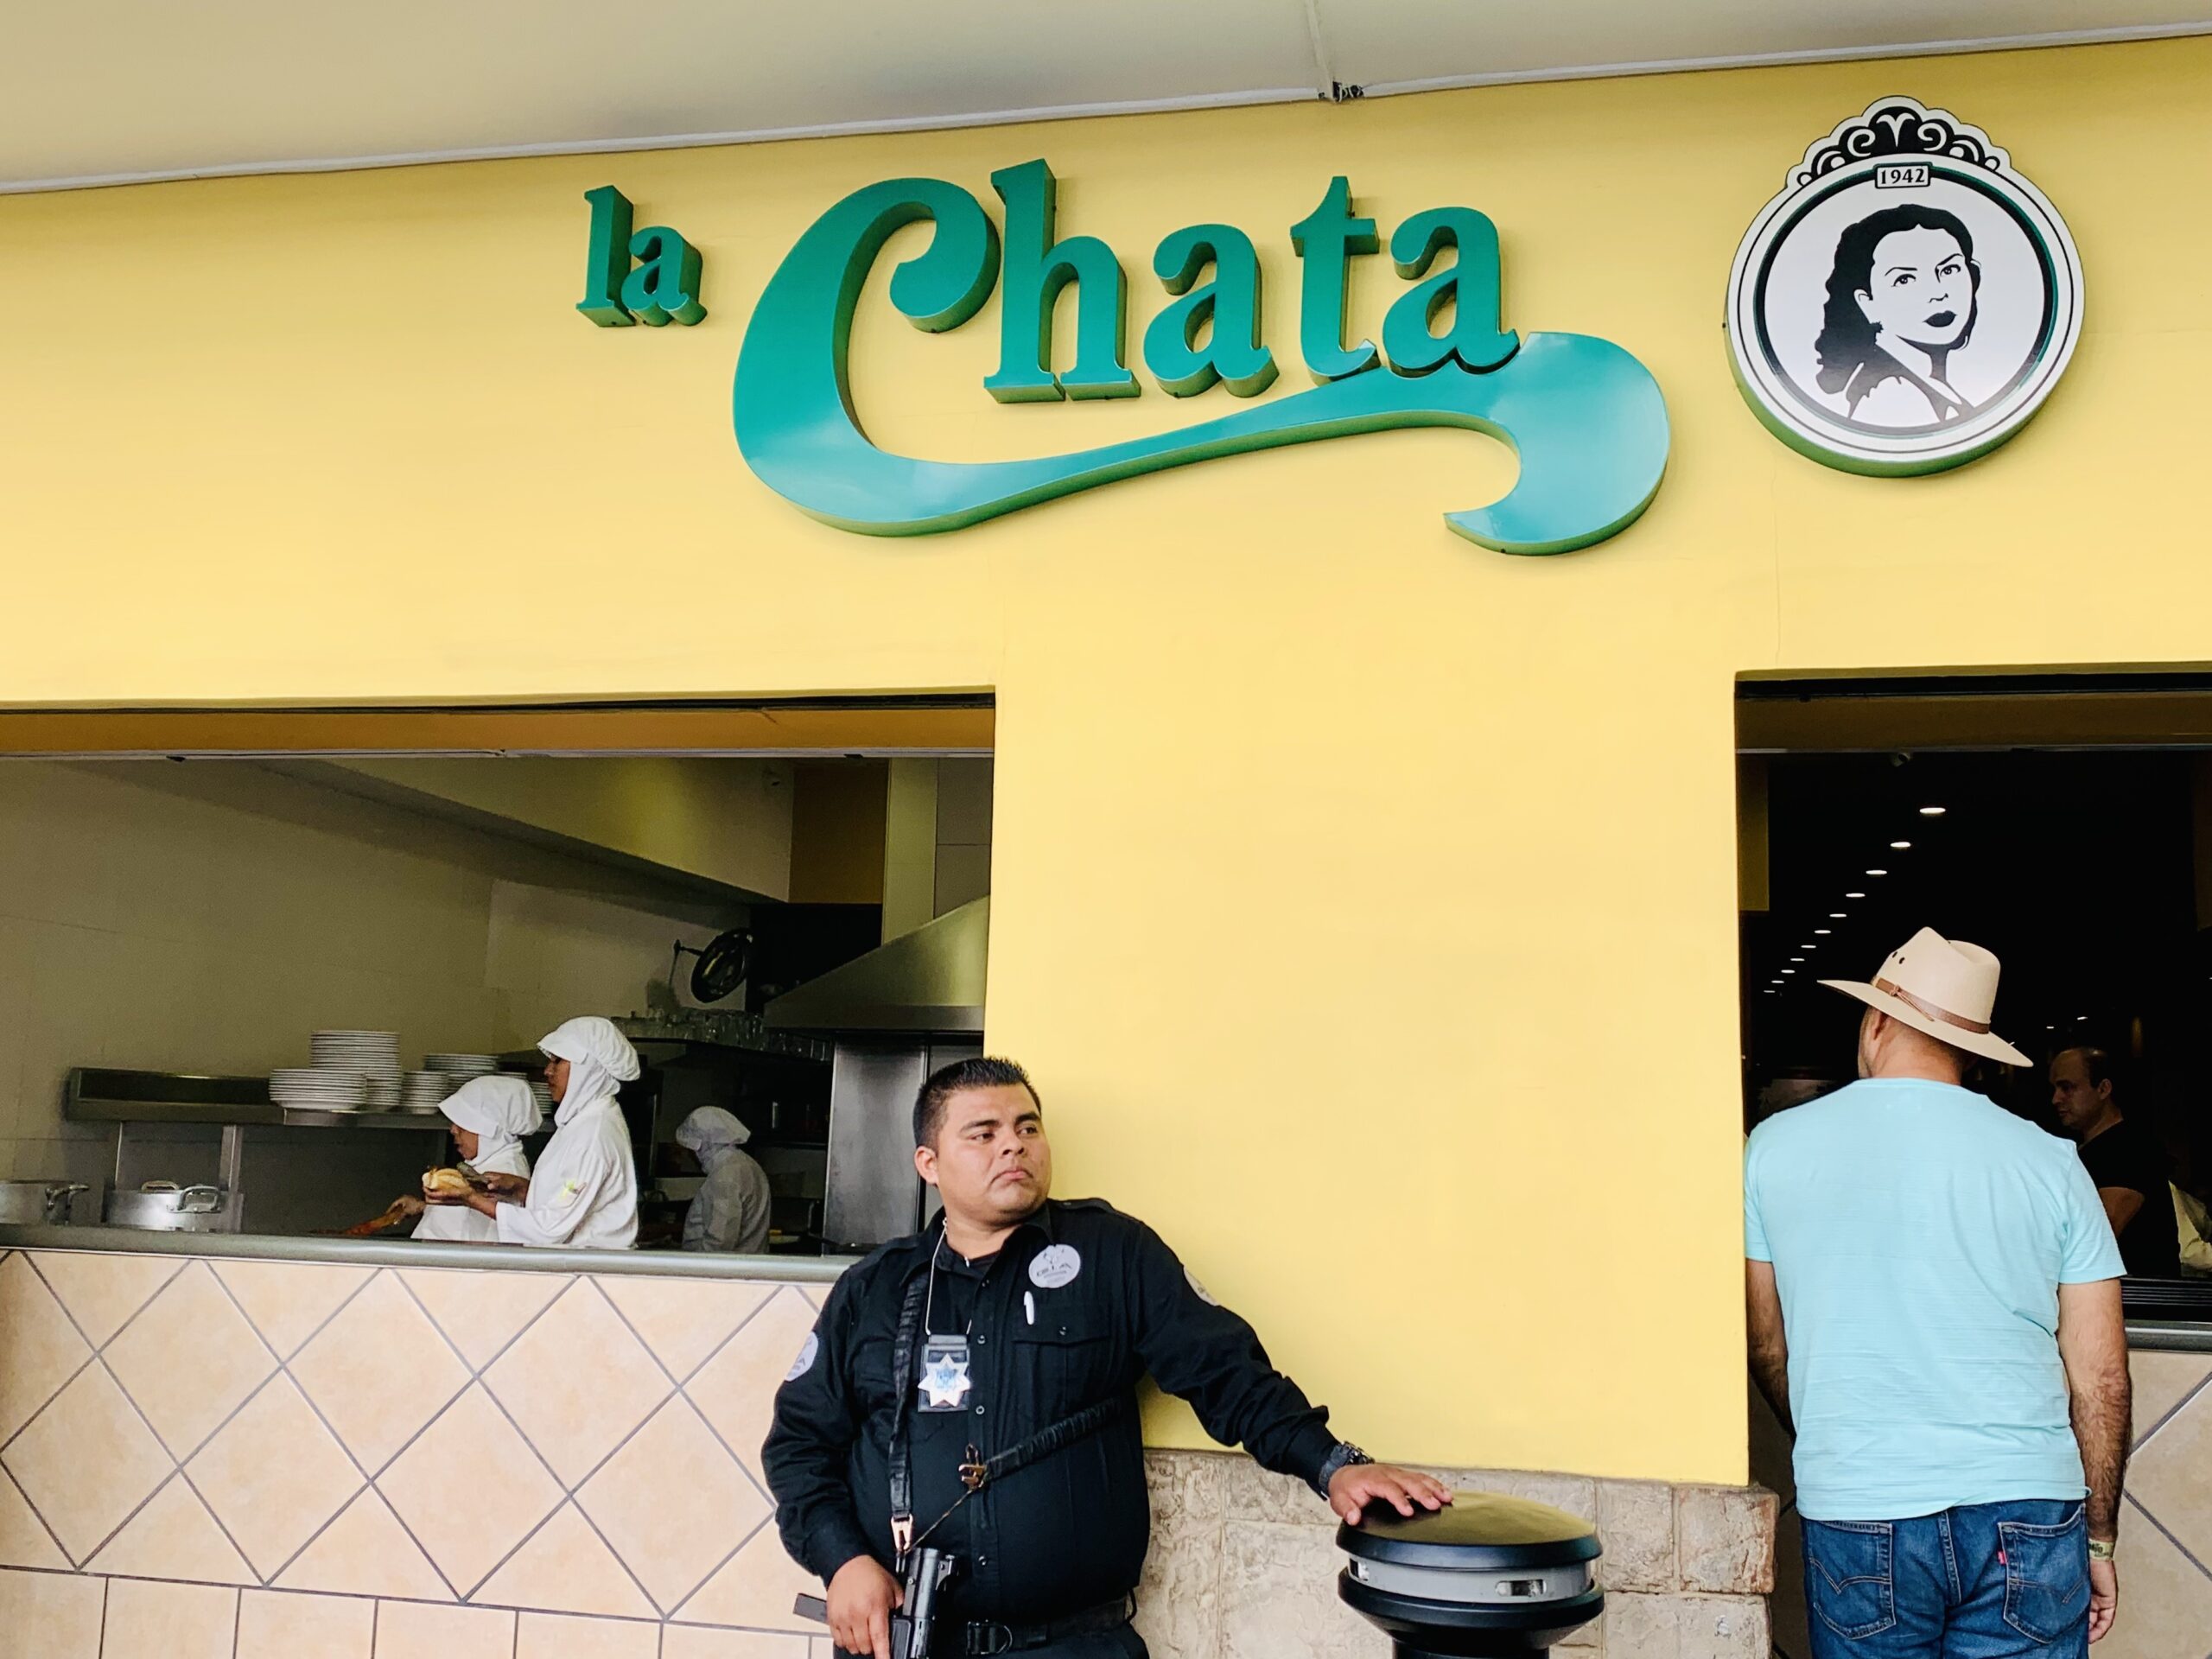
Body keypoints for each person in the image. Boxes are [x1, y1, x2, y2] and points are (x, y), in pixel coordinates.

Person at [764, 1057, 1448, 1659]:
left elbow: (1226, 1374)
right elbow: (799, 1445)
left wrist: (1333, 1465)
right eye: (984, 1134)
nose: (1014, 1145)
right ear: (929, 1164)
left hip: (1071, 1645)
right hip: (905, 1640)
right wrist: (842, 1561)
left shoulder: (1114, 1255)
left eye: (1028, 1128)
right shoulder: (875, 1289)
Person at [1744, 928, 2132, 1656]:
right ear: (1971, 1049)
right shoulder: (2052, 1163)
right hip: (2029, 1508)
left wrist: (1839, 1438)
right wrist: (2101, 1537)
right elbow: (2101, 1376)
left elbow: (1768, 1342)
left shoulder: (1772, 1148)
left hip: (1861, 1502)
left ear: (1876, 1021)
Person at [428, 1016, 640, 1249]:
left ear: (587, 1069)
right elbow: (565, 1199)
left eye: (558, 1061)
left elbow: (549, 1228)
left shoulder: (594, 1135)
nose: (548, 1071)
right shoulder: (581, 1124)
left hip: (586, 1264)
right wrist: (521, 1189)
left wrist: (470, 1198)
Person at [1814, 205, 1982, 428]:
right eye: (1904, 280)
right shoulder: (1893, 393)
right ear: (1867, 303)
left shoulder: (1929, 379)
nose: (1938, 293)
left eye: (1949, 270)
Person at [2050, 1046, 2181, 1280]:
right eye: (2055, 1089)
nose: (2056, 1099)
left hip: (2138, 1295)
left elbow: (2098, 1234)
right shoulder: (2086, 1150)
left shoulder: (2131, 1148)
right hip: (2105, 1290)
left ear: (2103, 1088)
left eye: (2067, 1088)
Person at [388, 1075, 541, 1243]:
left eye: (464, 1122)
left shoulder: (504, 1175)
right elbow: (466, 1218)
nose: (453, 1130)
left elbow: (488, 1248)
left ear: (489, 1129)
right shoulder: (485, 1163)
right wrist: (423, 1207)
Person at [677, 1105, 774, 1254]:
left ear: (699, 1147)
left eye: (688, 1149)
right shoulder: (747, 1164)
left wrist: (698, 1264)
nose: (688, 1155)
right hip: (748, 1262)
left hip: (723, 1266)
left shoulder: (725, 1175)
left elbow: (719, 1242)